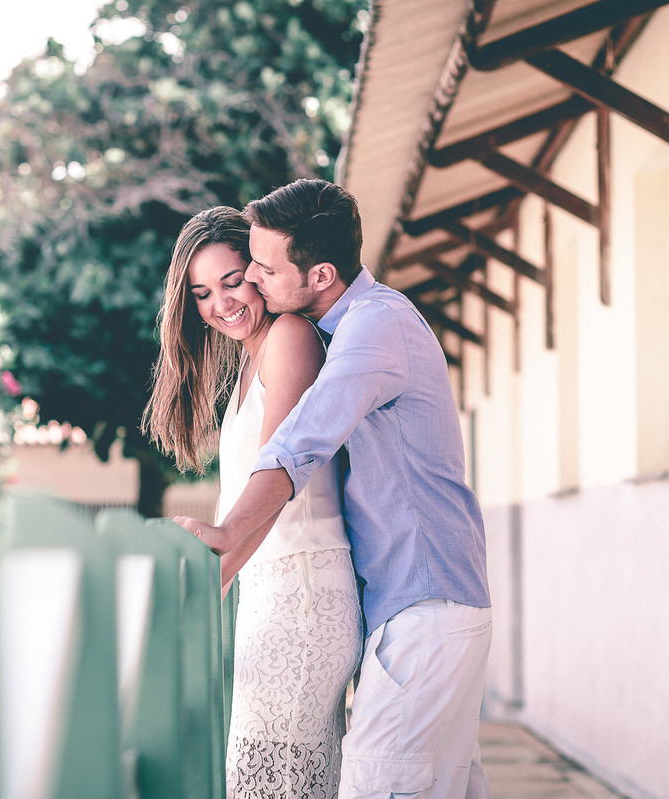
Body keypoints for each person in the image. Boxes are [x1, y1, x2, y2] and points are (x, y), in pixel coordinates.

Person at [174, 180, 493, 799]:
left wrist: (226, 538)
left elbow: (302, 442)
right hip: (413, 608)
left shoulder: (376, 326)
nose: (254, 282)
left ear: (319, 274)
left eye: (261, 269)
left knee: (374, 787)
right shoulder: (343, 329)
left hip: (426, 607)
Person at [142, 206, 363, 799]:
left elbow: (275, 491)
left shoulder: (289, 339)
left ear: (260, 271)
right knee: (273, 777)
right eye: (202, 293)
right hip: (271, 591)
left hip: (305, 591)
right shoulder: (252, 357)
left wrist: (208, 582)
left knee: (270, 782)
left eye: (232, 280)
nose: (221, 304)